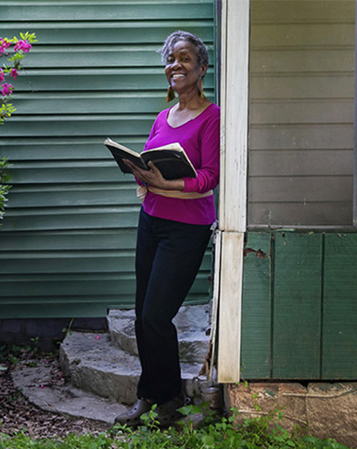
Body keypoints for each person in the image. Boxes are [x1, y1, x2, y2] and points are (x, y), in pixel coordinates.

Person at [114, 30, 220, 428]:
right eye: (170, 59)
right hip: (152, 221)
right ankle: (151, 395)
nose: (175, 65)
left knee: (158, 314)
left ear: (201, 67)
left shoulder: (213, 117)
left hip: (186, 228)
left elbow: (210, 176)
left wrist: (168, 185)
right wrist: (140, 173)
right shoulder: (163, 116)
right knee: (144, 315)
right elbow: (148, 163)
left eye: (184, 58)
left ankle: (170, 397)